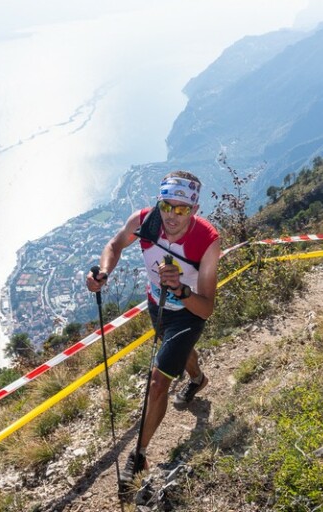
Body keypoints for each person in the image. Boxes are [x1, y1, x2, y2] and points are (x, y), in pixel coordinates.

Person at [85, 170, 220, 486]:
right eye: (166, 206)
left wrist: (181, 291)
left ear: (195, 209)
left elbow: (206, 307)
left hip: (188, 312)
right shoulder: (145, 221)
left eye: (181, 209)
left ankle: (140, 454)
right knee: (179, 353)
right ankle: (197, 379)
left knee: (159, 381)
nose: (171, 216)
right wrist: (103, 272)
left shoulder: (207, 241)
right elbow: (115, 245)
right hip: (156, 306)